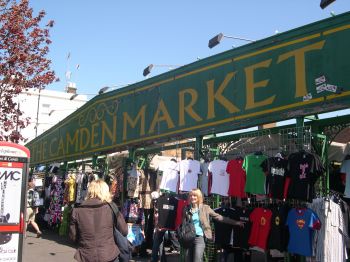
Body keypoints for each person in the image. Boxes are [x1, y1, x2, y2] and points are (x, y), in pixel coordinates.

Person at [69, 179, 128, 262]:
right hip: (109, 255)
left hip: (86, 256)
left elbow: (73, 237)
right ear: (105, 191)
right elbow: (124, 231)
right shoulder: (111, 207)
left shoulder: (76, 211)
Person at [181, 188, 245, 262]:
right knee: (188, 260)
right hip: (188, 238)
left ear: (199, 197)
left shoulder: (205, 208)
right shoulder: (186, 208)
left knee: (197, 260)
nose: (192, 197)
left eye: (195, 195)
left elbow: (219, 217)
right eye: (191, 195)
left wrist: (236, 222)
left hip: (200, 238)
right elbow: (183, 223)